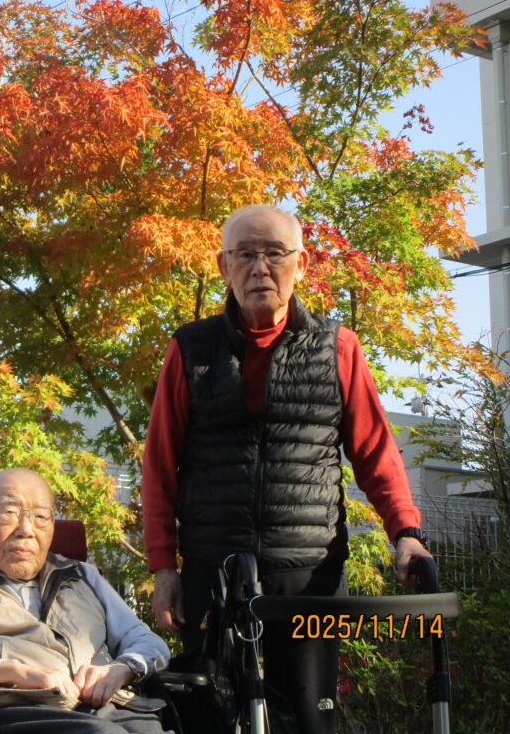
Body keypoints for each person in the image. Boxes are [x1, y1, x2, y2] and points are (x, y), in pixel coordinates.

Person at [141, 204, 433, 733]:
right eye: (245, 254)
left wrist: (406, 533)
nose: (260, 268)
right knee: (209, 718)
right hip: (212, 569)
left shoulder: (337, 347)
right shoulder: (190, 348)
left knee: (308, 719)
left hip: (309, 574)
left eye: (275, 253)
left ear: (301, 264)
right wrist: (164, 567)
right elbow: (159, 462)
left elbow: (375, 452)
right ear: (223, 266)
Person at [0, 468, 171, 734]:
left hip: (108, 706)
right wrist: (12, 672)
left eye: (41, 516)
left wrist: (123, 669)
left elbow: (147, 642)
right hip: (13, 709)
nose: (26, 530)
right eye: (9, 513)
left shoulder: (82, 576)